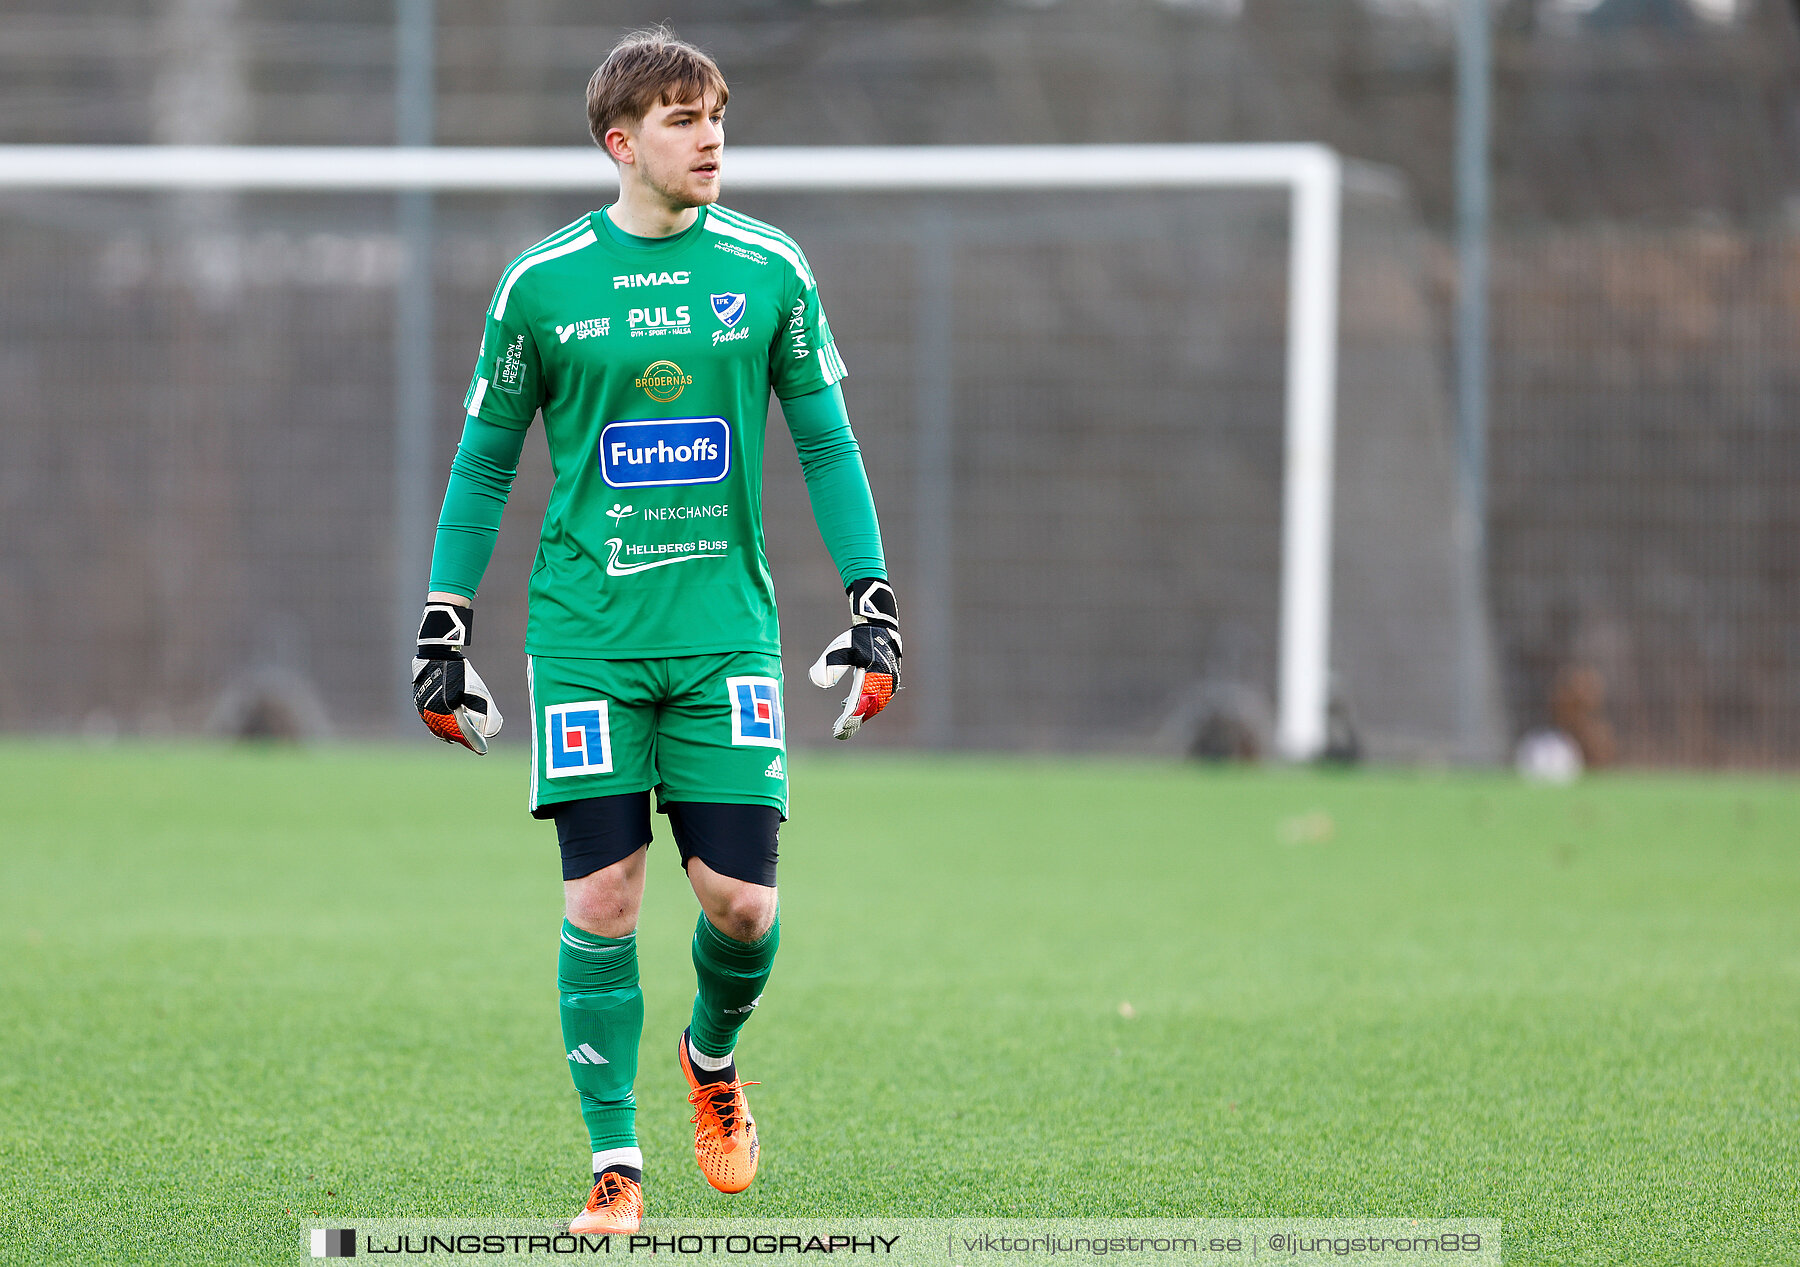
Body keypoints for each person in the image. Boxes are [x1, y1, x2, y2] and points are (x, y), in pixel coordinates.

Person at [408, 26, 902, 1235]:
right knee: (607, 897)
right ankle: (615, 1164)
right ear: (622, 143)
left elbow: (826, 442)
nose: (710, 134)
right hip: (585, 635)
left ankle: (712, 1060)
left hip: (725, 633)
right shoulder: (542, 285)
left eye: (716, 112)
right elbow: (483, 462)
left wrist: (871, 596)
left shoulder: (771, 269)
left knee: (742, 905)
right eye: (682, 118)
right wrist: (443, 622)